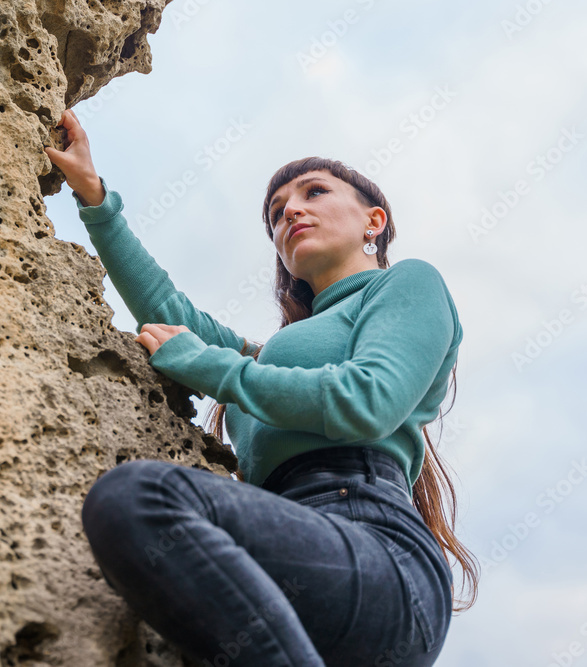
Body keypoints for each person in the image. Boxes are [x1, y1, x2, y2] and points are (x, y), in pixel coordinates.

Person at [44, 109, 479, 666]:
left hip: (376, 551)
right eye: (276, 213)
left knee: (142, 498)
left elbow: (368, 400)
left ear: (374, 222)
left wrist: (209, 368)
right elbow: (170, 317)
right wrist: (94, 198)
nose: (290, 210)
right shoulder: (275, 354)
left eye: (314, 192)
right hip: (285, 553)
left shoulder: (408, 283)